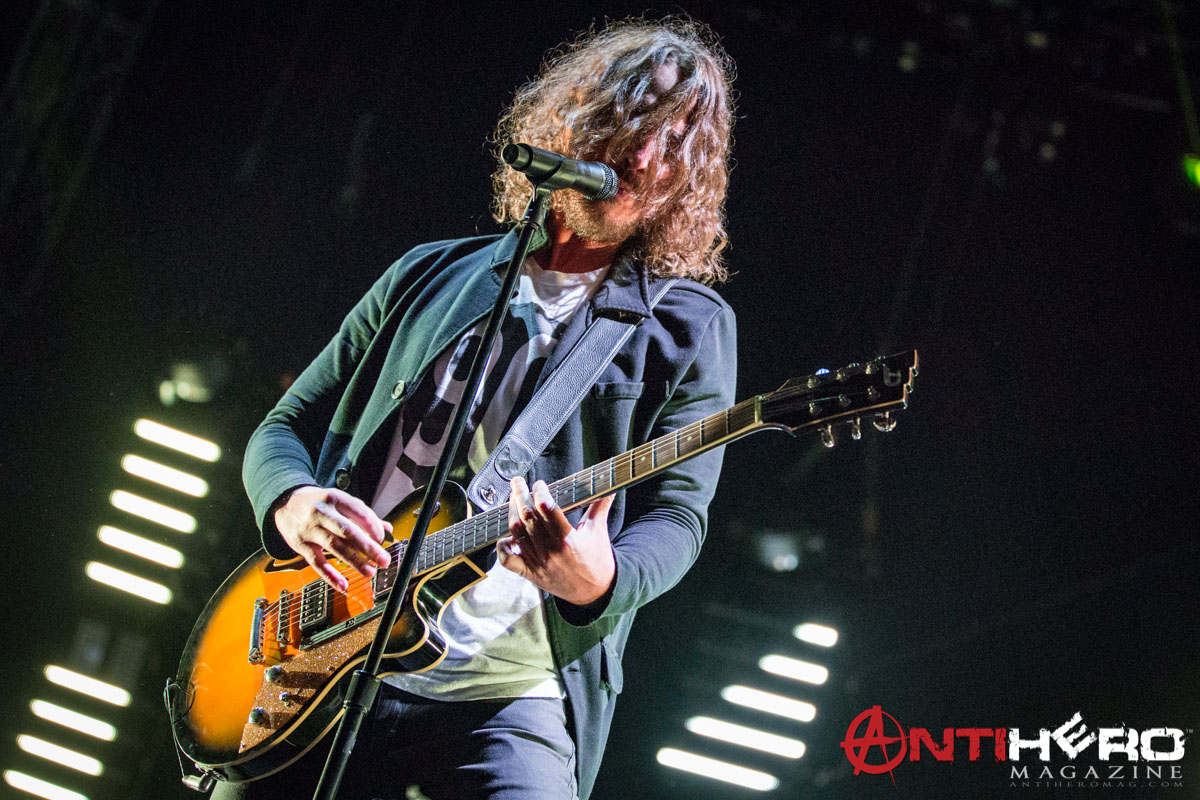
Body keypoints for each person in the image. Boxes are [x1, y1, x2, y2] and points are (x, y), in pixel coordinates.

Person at [223, 18, 736, 800]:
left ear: (688, 179)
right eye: (633, 123)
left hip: (507, 696)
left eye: (674, 146)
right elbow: (284, 428)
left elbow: (679, 517)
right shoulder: (427, 276)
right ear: (573, 119)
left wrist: (600, 579)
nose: (642, 159)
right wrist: (293, 503)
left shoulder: (688, 326)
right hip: (325, 655)